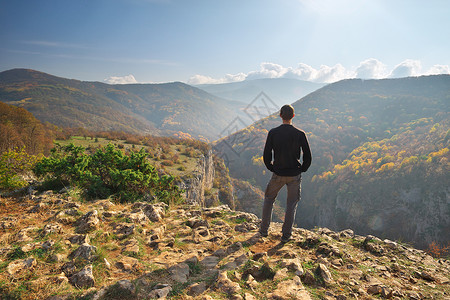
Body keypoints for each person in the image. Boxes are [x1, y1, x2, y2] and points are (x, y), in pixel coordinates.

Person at [259, 104, 312, 243]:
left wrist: (271, 167)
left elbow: (266, 154)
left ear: (280, 115)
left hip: (278, 173)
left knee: (269, 199)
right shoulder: (300, 134)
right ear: (293, 116)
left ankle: (264, 230)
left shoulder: (273, 132)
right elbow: (308, 155)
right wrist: (302, 169)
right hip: (294, 175)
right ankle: (286, 235)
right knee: (291, 204)